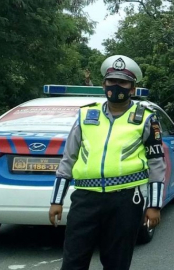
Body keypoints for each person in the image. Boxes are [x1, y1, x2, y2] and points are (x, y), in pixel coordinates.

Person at [48, 55, 166, 270]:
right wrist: (56, 200)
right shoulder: (86, 115)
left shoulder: (146, 118)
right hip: (85, 199)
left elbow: (157, 164)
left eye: (122, 82)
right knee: (73, 261)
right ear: (104, 84)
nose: (116, 86)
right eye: (112, 81)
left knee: (117, 262)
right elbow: (68, 158)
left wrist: (154, 206)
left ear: (132, 89)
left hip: (126, 200)